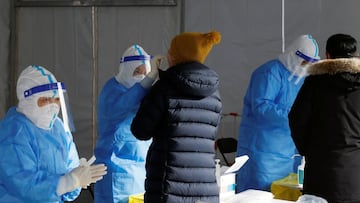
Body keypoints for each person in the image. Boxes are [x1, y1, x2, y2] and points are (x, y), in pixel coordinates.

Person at [131, 31, 222, 203]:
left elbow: (140, 130)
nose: (168, 54)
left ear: (177, 55)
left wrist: (148, 90)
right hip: (205, 190)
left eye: (171, 50)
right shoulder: (214, 92)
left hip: (168, 187)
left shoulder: (164, 87)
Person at [0, 65, 107, 203]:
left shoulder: (58, 127)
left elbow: (69, 175)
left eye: (56, 100)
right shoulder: (13, 132)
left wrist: (78, 177)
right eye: (45, 100)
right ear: (27, 100)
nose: (53, 106)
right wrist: (69, 181)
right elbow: (23, 185)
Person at [236, 34, 320, 192]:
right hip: (263, 151)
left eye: (310, 63)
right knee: (258, 195)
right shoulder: (269, 73)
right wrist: (295, 116)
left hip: (289, 151)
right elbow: (261, 107)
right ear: (294, 54)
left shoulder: (301, 79)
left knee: (285, 194)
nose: (306, 67)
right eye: (304, 62)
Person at [289, 33, 360, 202]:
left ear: (328, 55)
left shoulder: (315, 83)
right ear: (354, 54)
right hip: (356, 174)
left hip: (320, 173)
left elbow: (296, 119)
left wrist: (308, 150)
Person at [94, 44, 162, 203]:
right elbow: (124, 105)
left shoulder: (142, 93)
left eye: (145, 72)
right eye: (137, 72)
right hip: (116, 174)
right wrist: (149, 79)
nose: (141, 76)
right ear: (125, 70)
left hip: (141, 172)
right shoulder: (112, 90)